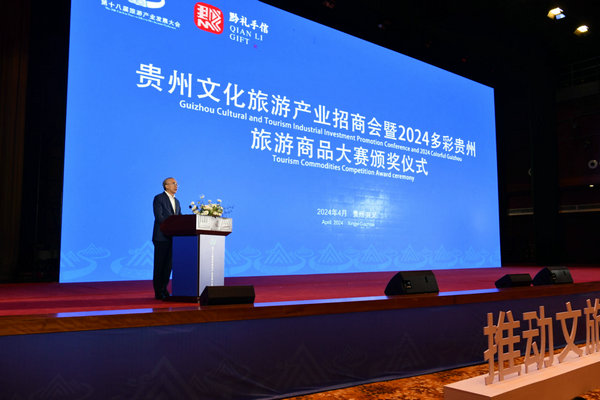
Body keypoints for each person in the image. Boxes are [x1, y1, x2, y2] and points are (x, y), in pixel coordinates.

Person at [152, 177, 181, 300]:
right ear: (166, 186)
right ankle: (158, 292)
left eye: (177, 184)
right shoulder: (159, 198)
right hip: (161, 237)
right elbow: (159, 217)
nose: (176, 185)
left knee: (168, 266)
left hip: (173, 238)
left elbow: (180, 218)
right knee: (160, 265)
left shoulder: (177, 201)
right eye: (173, 183)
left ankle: (164, 289)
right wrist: (174, 224)